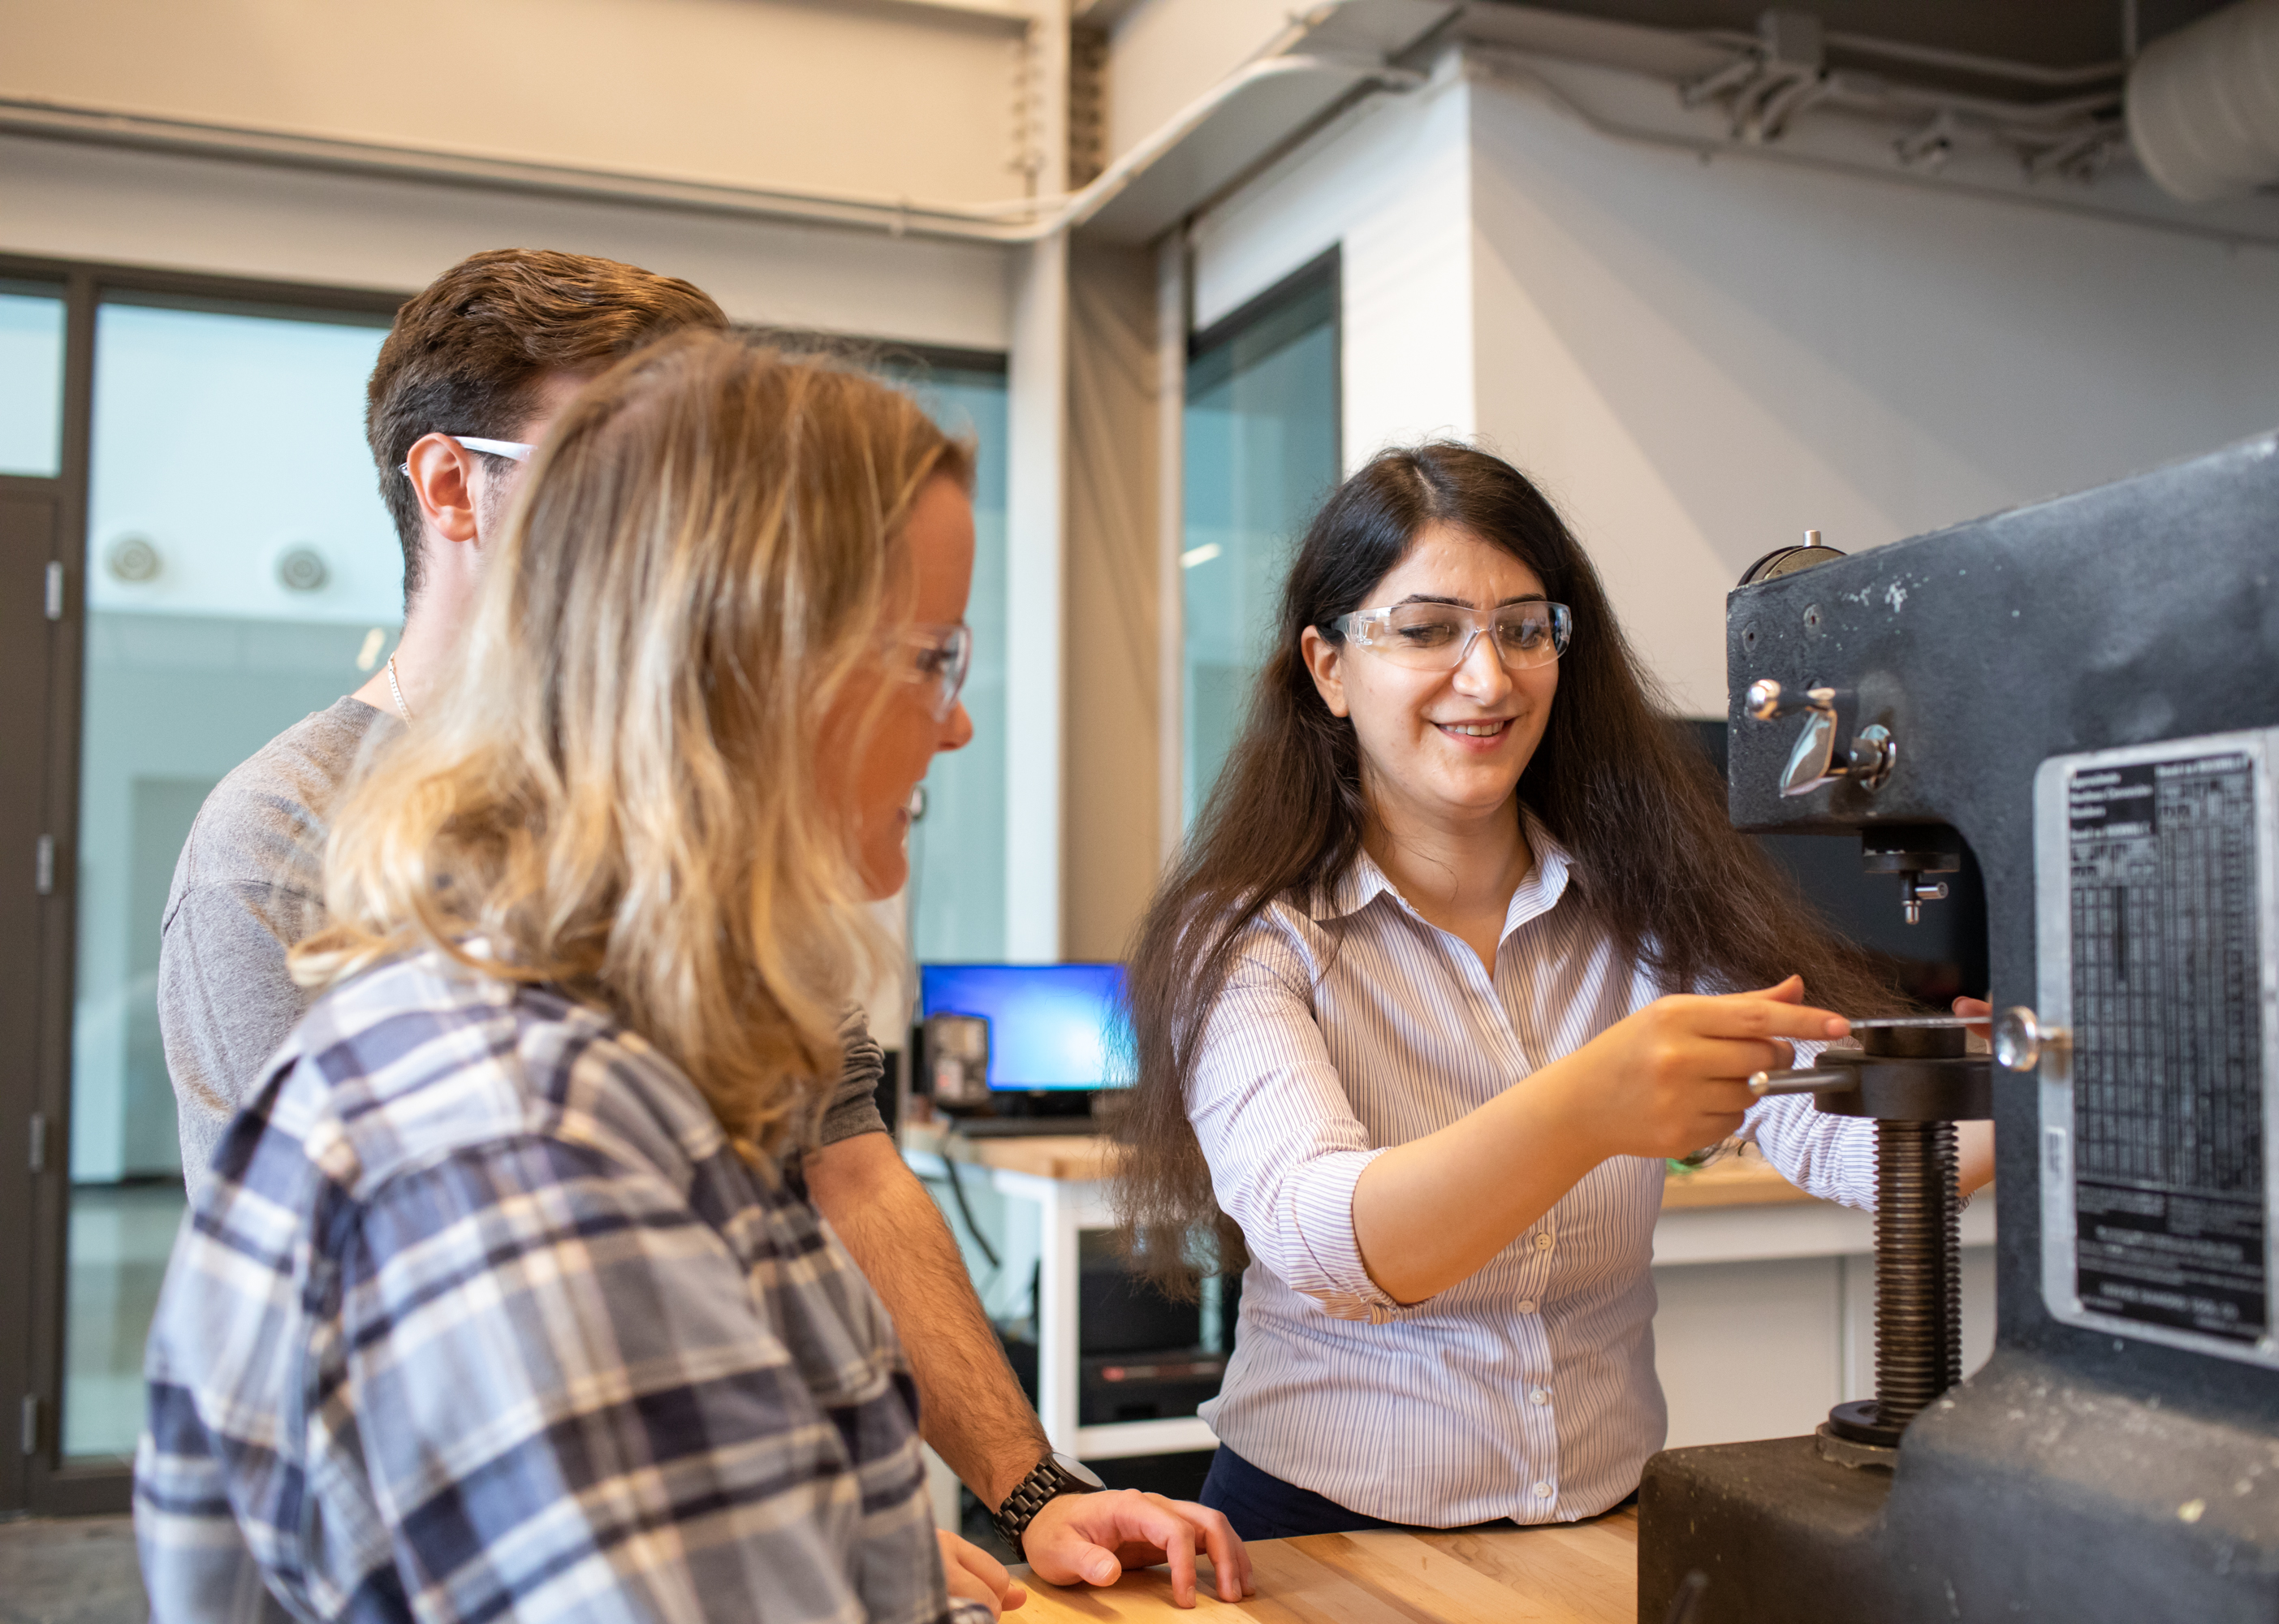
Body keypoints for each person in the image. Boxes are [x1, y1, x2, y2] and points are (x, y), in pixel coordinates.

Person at [152, 249, 1248, 1601]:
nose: (952, 721)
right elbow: (422, 1430)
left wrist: (1004, 1497)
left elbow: (839, 1178)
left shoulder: (696, 939)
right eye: (637, 492)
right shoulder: (310, 886)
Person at [1111, 443, 1995, 1540]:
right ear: (1329, 667)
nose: (1487, 678)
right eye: (1427, 630)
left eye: (1525, 630)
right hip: (1320, 1536)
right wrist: (1591, 1103)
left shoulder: (1650, 904)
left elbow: (1855, 1146)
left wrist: (2029, 1076)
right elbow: (1326, 1244)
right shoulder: (1250, 940)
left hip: (1601, 1530)